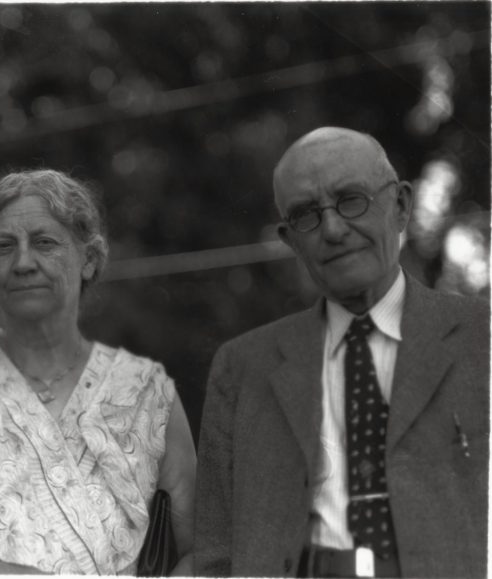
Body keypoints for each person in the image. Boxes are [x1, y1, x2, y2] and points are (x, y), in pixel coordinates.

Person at [192, 127, 488, 578]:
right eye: (307, 215)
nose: (332, 229)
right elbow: (216, 556)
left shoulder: (481, 339)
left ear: (402, 206)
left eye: (352, 199)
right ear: (291, 240)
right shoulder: (242, 369)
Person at [0, 169, 197, 574]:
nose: (23, 262)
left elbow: (203, 548)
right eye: (3, 247)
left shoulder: (147, 393)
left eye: (45, 243)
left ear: (89, 259)